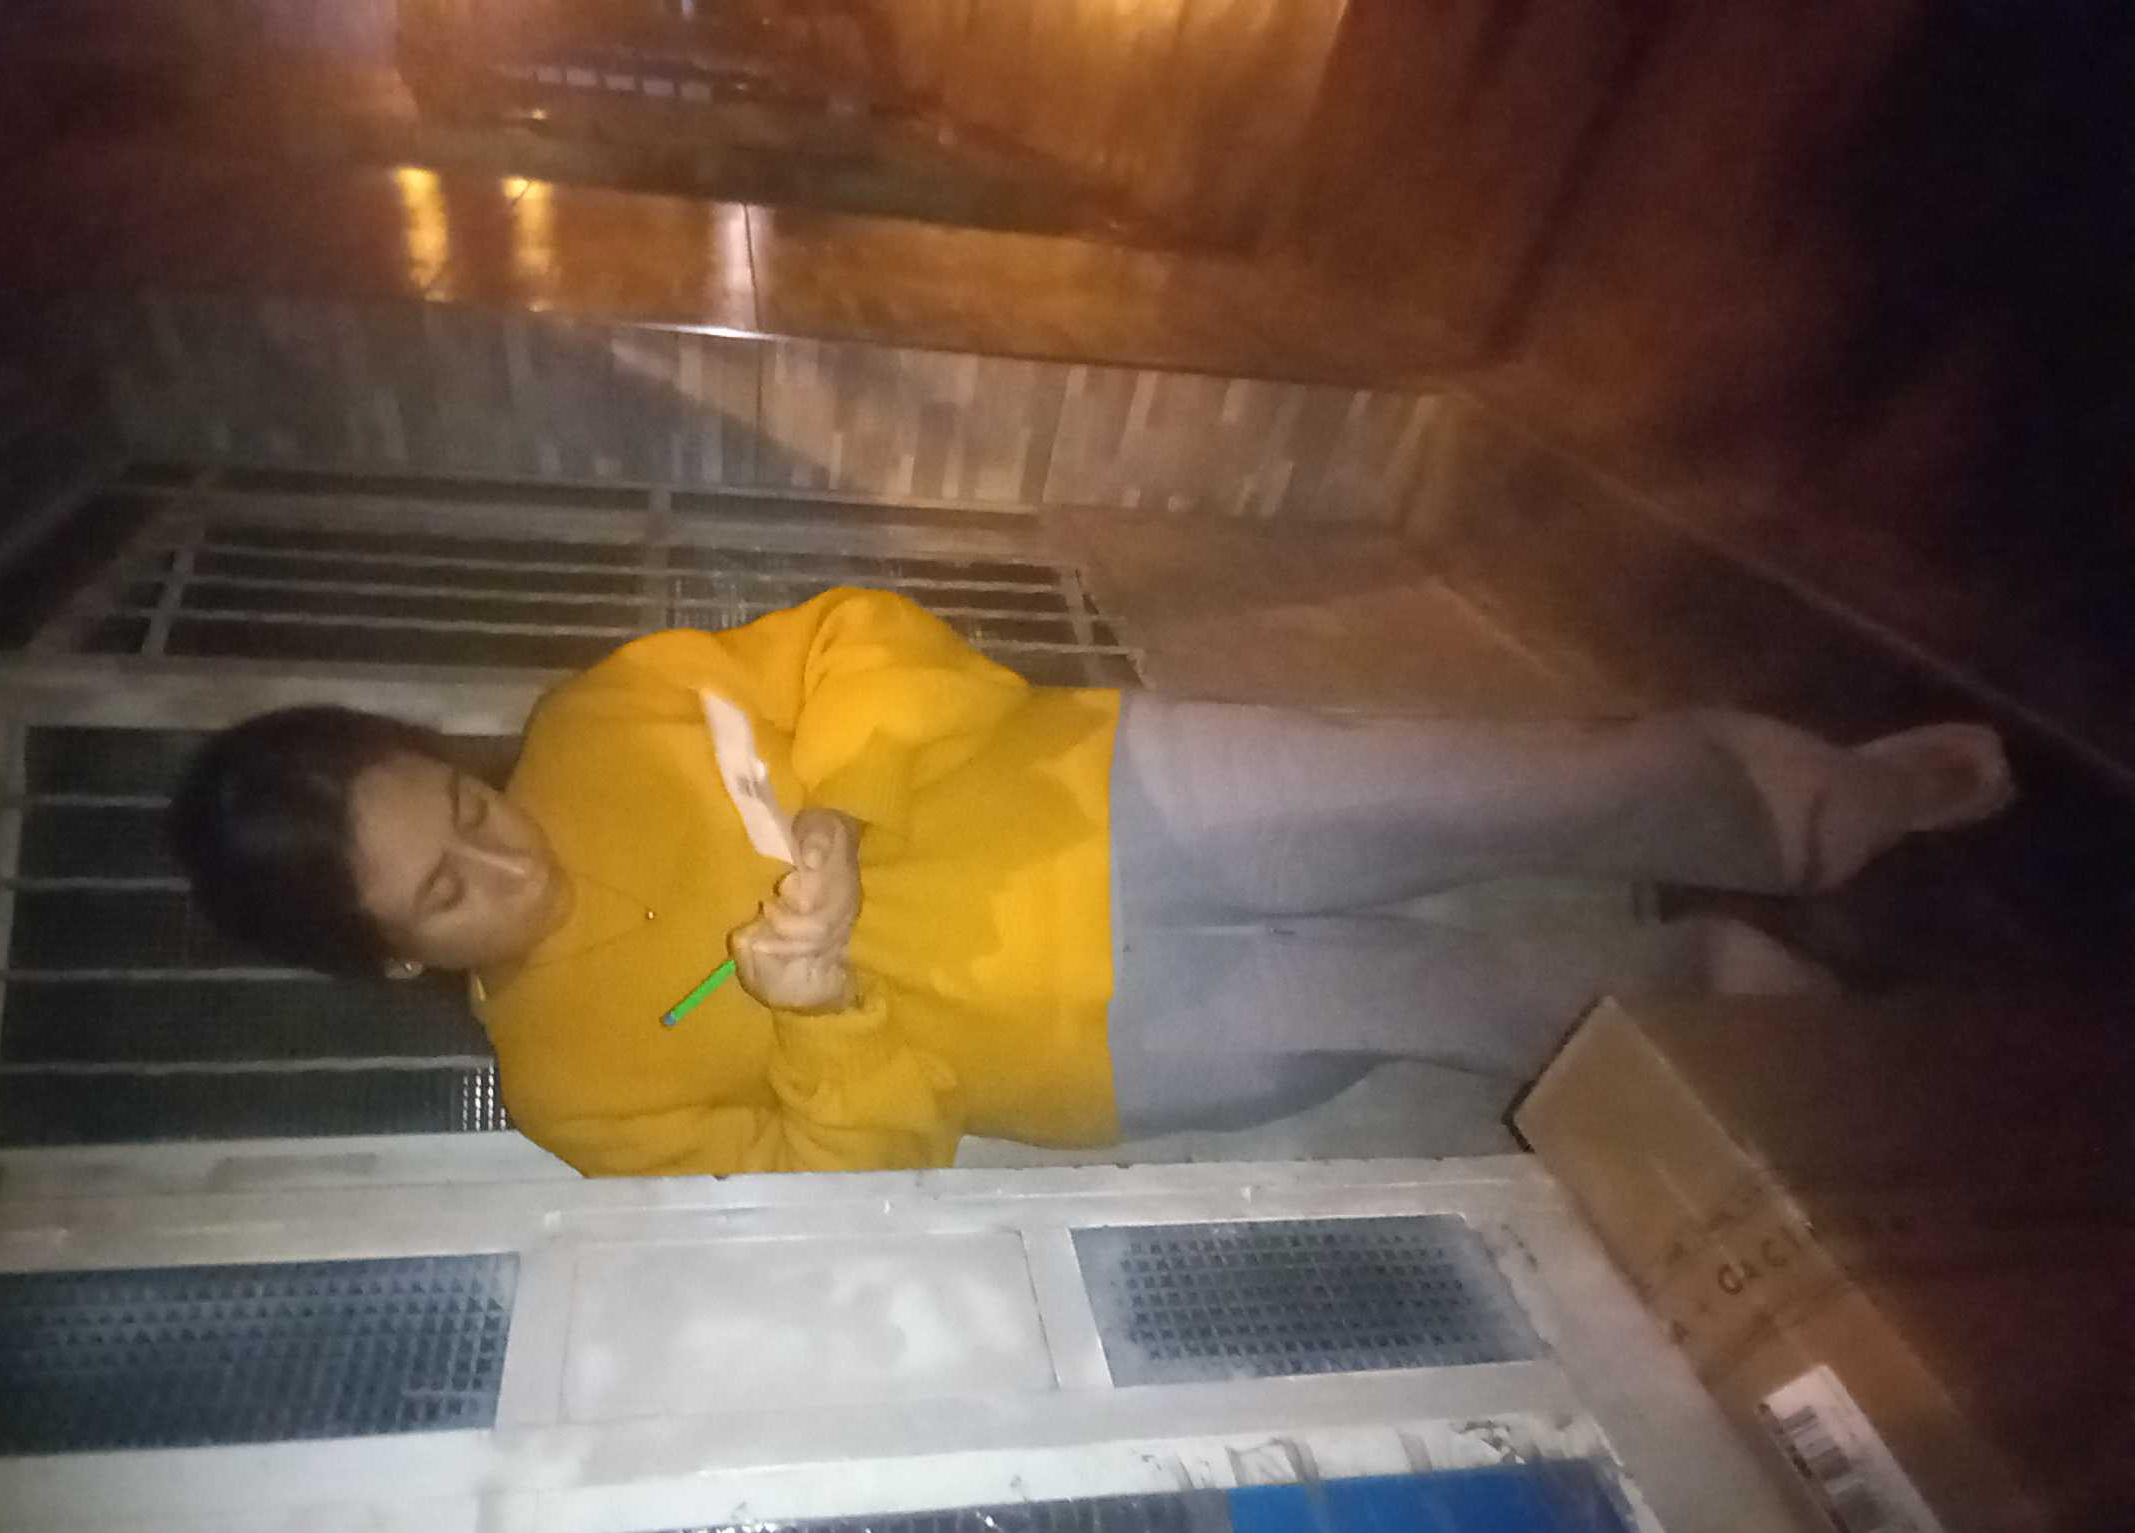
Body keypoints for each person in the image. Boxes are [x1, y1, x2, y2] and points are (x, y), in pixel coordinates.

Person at [168, 587, 2012, 1177]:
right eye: (448, 890)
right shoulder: (571, 1094)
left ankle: (1811, 809)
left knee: (1499, 782)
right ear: (394, 965)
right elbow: (849, 1166)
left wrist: (840, 805)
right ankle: (1751, 1014)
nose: (507, 846)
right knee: (1472, 1009)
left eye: (463, 798)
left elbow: (857, 636)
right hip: (1105, 1047)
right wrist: (818, 1016)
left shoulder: (599, 713)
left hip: (1101, 792)